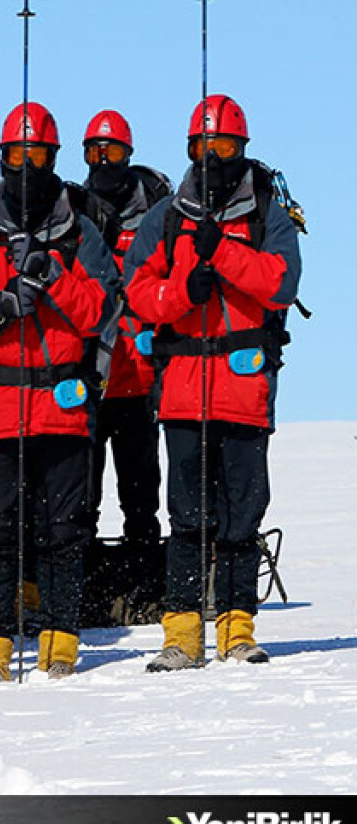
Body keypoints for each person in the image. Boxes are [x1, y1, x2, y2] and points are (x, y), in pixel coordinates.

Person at [0, 103, 117, 682]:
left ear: (54, 159)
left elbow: (101, 311)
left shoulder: (82, 234)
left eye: (37, 155)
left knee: (65, 531)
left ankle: (61, 641)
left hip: (61, 408)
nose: (26, 167)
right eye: (17, 155)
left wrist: (56, 278)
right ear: (1, 157)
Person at [124, 94, 301, 671]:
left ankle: (237, 627)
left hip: (246, 389)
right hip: (182, 391)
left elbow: (280, 283)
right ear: (189, 150)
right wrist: (183, 292)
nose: (214, 157)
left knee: (242, 514)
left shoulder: (268, 214)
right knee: (188, 516)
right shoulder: (167, 217)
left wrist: (221, 252)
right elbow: (137, 293)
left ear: (243, 150)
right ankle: (180, 632)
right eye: (204, 147)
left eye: (225, 147)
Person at [74, 111, 172, 614]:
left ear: (128, 153)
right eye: (93, 150)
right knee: (81, 498)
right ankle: (86, 592)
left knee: (141, 496)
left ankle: (146, 587)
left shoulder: (156, 208)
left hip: (139, 380)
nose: (102, 160)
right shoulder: (72, 212)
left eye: (110, 150)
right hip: (87, 382)